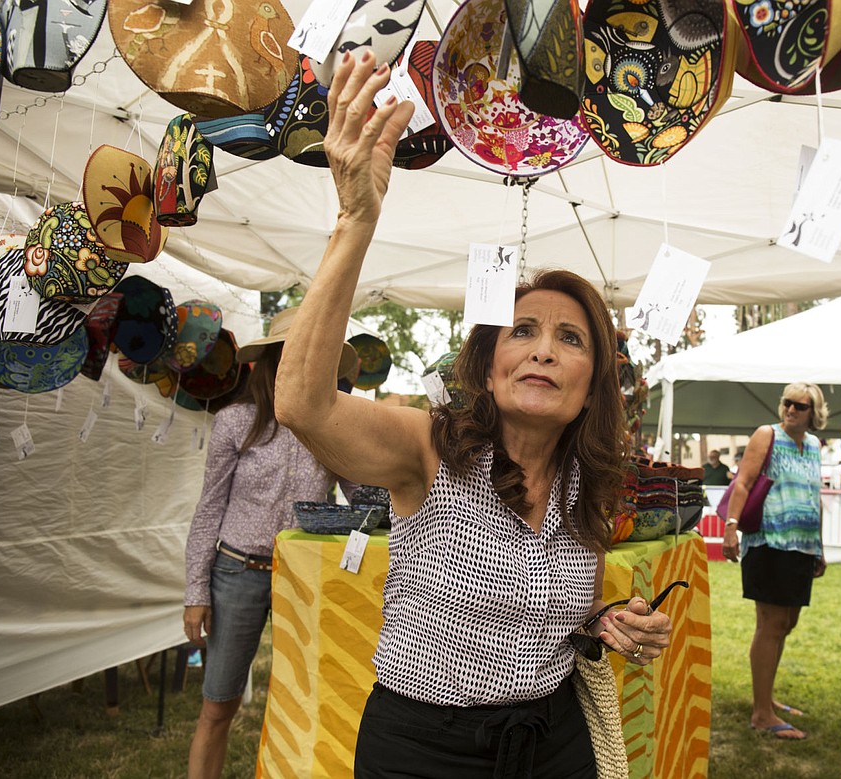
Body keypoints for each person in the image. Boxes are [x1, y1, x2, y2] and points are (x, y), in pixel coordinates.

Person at [271, 49, 673, 779]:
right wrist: (356, 216)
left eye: (569, 337)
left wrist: (606, 620)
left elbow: (552, 615)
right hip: (421, 752)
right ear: (489, 367)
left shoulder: (588, 485)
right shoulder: (429, 451)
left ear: (593, 383)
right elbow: (300, 400)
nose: (543, 350)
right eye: (523, 331)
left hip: (551, 743)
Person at [182, 311, 358, 779]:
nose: (308, 366)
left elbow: (362, 494)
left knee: (303, 698)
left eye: (316, 359)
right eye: (298, 356)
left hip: (303, 575)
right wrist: (196, 592)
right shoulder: (236, 422)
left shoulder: (329, 425)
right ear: (275, 362)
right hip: (236, 573)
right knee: (219, 704)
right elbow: (208, 510)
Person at [721, 383, 828, 740]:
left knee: (786, 623)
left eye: (801, 405)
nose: (792, 409)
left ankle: (766, 698)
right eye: (788, 403)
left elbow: (815, 497)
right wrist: (731, 527)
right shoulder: (767, 435)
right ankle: (762, 713)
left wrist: (819, 547)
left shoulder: (813, 446)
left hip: (801, 546)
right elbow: (743, 483)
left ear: (814, 413)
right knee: (772, 623)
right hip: (769, 543)